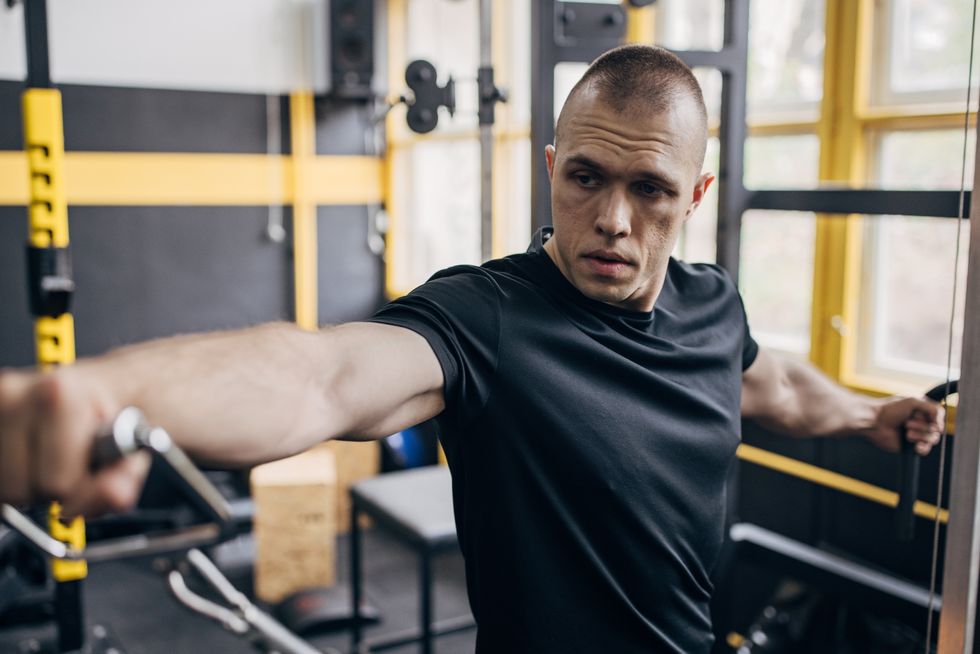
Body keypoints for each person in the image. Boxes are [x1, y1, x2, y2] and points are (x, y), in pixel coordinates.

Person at [0, 45, 943, 653]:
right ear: (552, 169)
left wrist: (870, 415)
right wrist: (108, 395)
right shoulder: (488, 319)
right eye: (586, 177)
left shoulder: (710, 309)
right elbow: (322, 375)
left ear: (695, 196)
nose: (612, 220)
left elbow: (772, 385)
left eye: (650, 189)